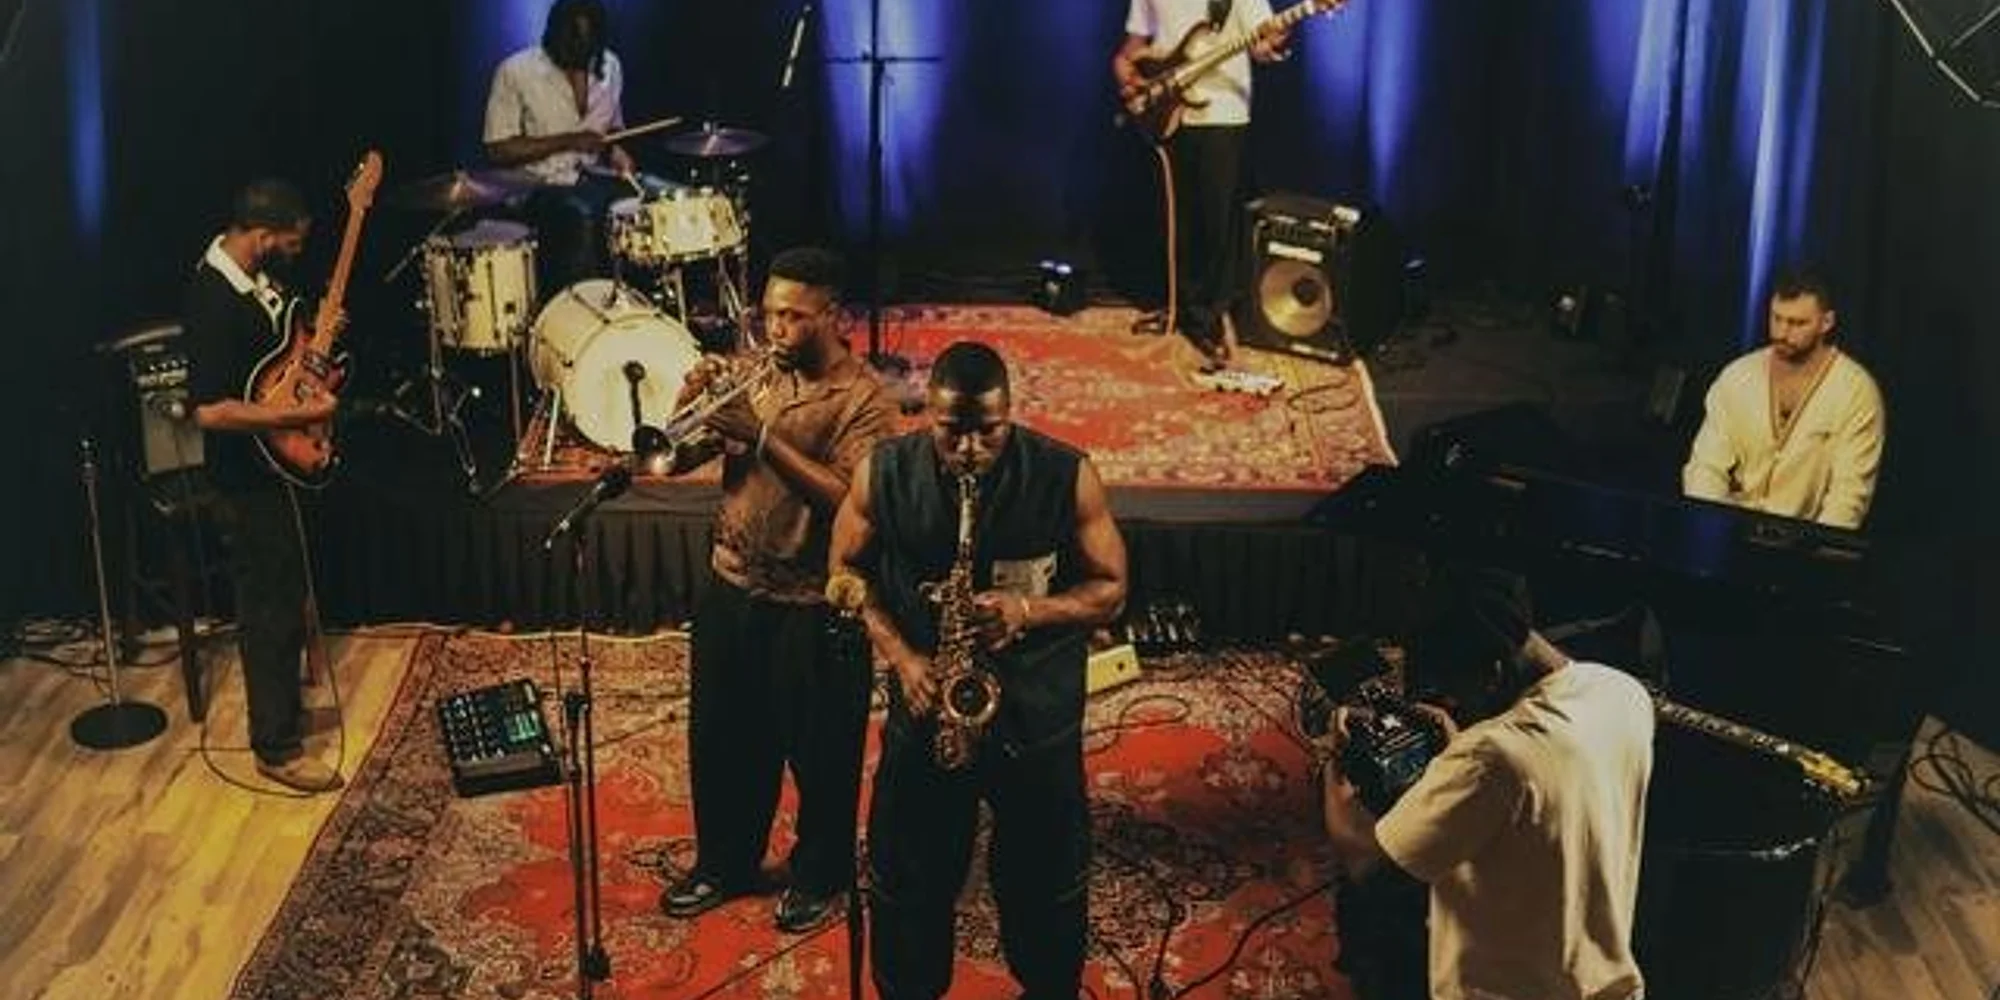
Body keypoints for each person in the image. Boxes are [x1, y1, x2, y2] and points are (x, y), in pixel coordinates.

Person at [829, 341, 1130, 1000]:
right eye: (951, 431)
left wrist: (1028, 610)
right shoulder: (882, 472)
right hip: (929, 700)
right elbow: (844, 572)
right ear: (927, 414)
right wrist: (903, 658)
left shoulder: (1067, 474)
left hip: (1035, 711)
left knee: (1047, 879)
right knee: (907, 879)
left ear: (1010, 413)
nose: (969, 448)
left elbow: (1111, 589)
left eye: (988, 431)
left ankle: (1047, 985)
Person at [657, 247, 898, 933]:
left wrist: (762, 437)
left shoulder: (866, 401)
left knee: (822, 753)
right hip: (731, 587)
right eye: (769, 315)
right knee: (722, 737)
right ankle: (723, 863)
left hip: (813, 603)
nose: (777, 329)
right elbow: (672, 458)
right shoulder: (756, 374)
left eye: (794, 317)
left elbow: (853, 499)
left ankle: (821, 875)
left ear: (834, 316)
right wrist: (688, 406)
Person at [1319, 566, 1655, 1000]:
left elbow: (1370, 864)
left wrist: (1333, 764)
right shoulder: (1623, 692)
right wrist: (1460, 742)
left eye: (1454, 689)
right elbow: (1546, 786)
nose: (1454, 702)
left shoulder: (1492, 756)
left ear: (1494, 672)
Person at [183, 178, 343, 794]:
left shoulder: (257, 280)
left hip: (275, 468)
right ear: (261, 235)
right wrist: (293, 416)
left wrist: (318, 339)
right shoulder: (212, 297)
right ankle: (276, 749)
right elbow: (209, 410)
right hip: (243, 482)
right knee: (268, 612)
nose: (295, 252)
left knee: (286, 595)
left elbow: (277, 356)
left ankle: (283, 716)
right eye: (290, 242)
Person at [1114, 0, 1291, 362]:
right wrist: (1129, 80)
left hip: (1223, 112)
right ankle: (1181, 307)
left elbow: (1261, 46)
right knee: (1177, 218)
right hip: (1168, 109)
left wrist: (1277, 37)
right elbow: (1132, 48)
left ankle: (1211, 317)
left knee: (1216, 221)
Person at [1682, 266, 1885, 529]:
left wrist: (1817, 546)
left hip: (1805, 541)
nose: (1781, 333)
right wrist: (1709, 527)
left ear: (1826, 322)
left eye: (1797, 323)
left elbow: (1848, 497)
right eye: (1776, 318)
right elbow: (1706, 466)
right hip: (1731, 532)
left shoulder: (1854, 391)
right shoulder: (1739, 376)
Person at [483, 0, 639, 297]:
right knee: (581, 214)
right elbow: (498, 149)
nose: (580, 54)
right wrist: (569, 140)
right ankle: (583, 311)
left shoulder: (611, 66)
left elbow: (613, 130)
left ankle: (637, 303)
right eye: (573, 44)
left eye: (588, 45)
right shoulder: (516, 71)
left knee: (645, 205)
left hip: (592, 177)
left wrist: (617, 150)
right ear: (553, 37)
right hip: (536, 186)